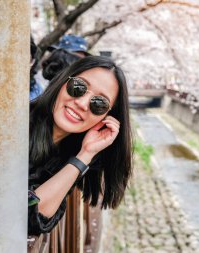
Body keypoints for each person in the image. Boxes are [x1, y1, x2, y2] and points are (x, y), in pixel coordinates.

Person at [28, 56, 132, 235]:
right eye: (78, 87)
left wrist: (85, 154)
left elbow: (34, 218)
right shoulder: (10, 128)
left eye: (99, 104)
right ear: (62, 82)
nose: (82, 104)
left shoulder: (69, 156)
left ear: (106, 117)